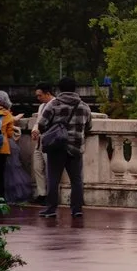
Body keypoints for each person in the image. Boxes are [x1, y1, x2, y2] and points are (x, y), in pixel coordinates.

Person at [36, 78, 91, 221]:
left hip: (56, 147)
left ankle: (51, 208)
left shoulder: (53, 104)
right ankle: (77, 209)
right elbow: (89, 127)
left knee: (53, 179)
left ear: (59, 89)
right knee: (77, 180)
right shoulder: (84, 106)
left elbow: (42, 124)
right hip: (76, 148)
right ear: (75, 89)